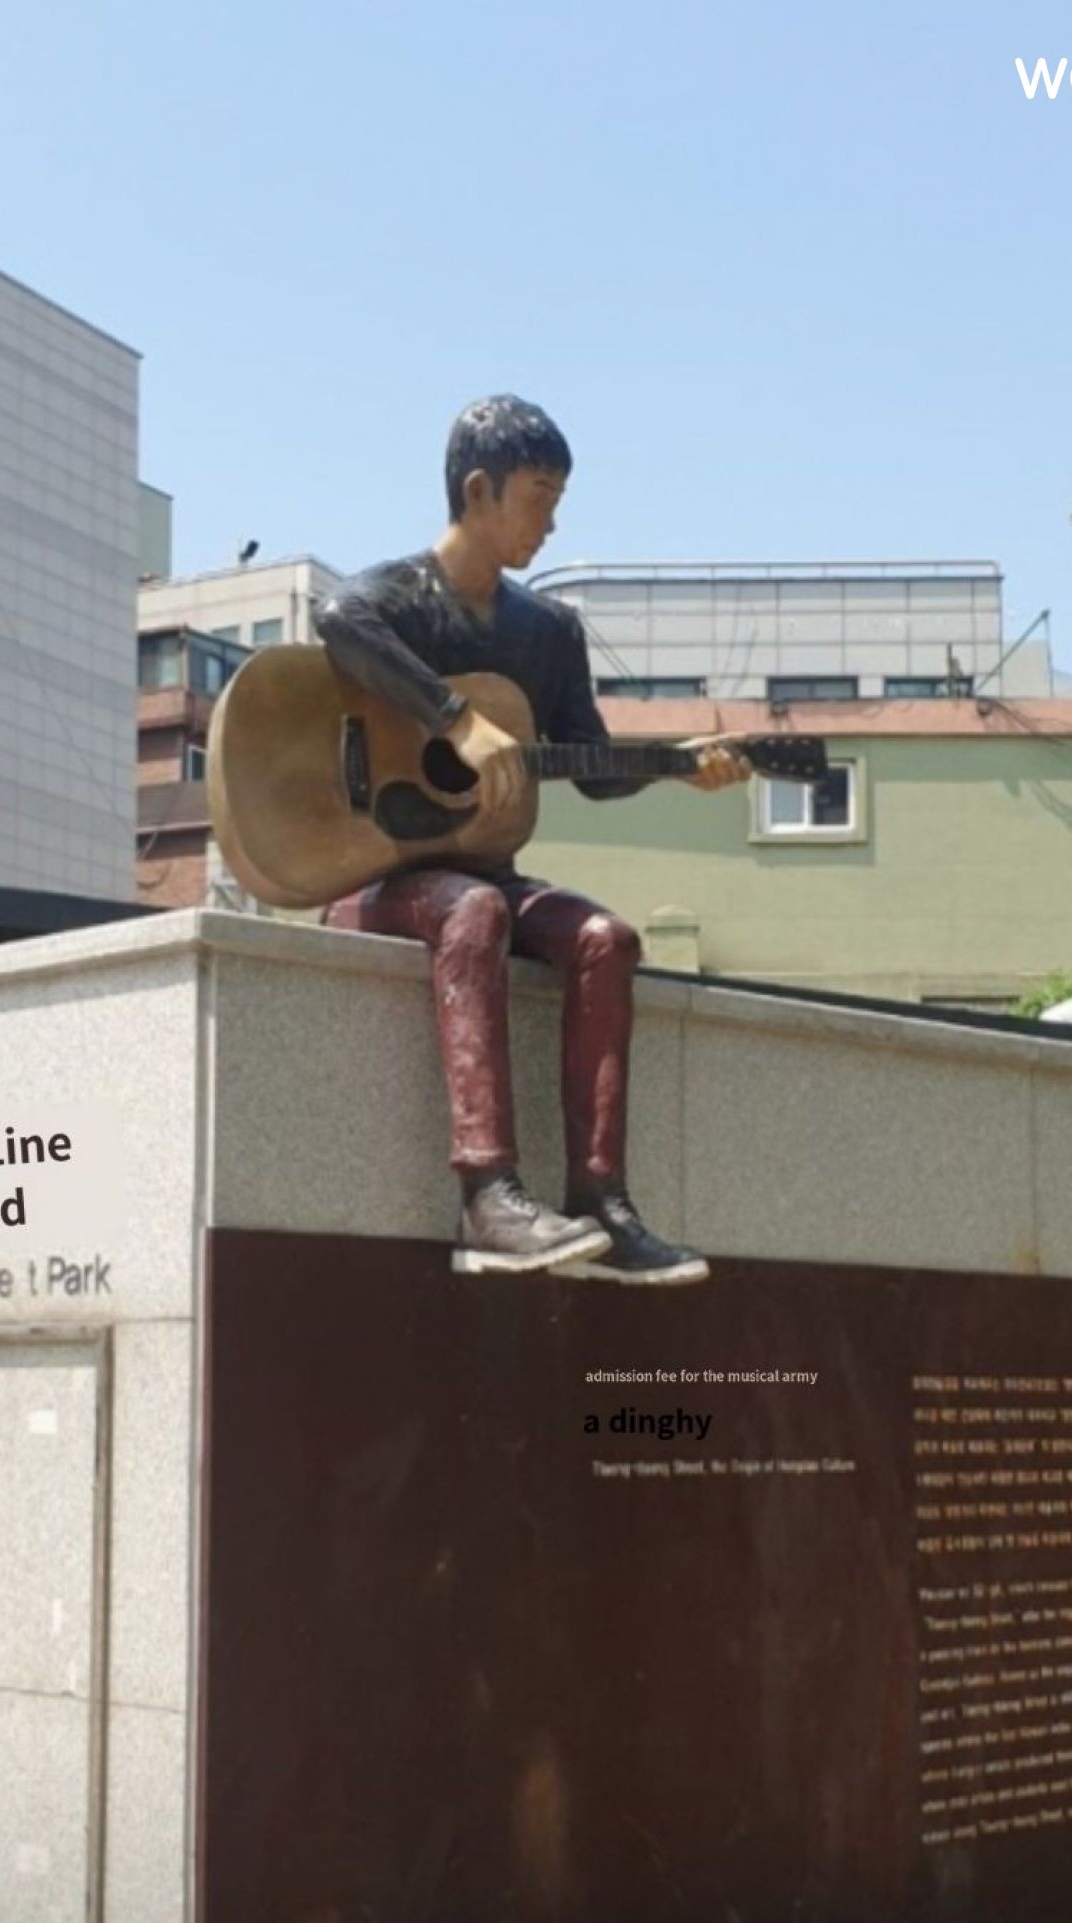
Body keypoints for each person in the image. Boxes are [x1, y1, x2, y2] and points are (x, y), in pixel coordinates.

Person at [315, 394, 752, 1282]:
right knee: (474, 910)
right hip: (377, 877)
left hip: (488, 874)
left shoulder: (547, 632)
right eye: (539, 497)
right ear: (479, 491)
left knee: (606, 939)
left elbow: (591, 767)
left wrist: (678, 766)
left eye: (558, 500)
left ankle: (602, 1201)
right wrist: (454, 720)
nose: (552, 522)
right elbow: (337, 622)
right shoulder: (396, 598)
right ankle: (487, 1193)